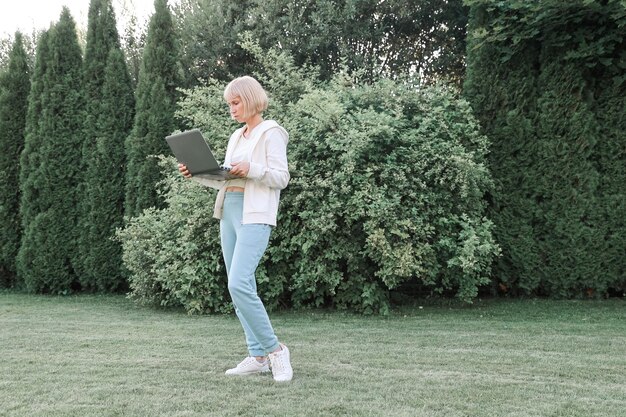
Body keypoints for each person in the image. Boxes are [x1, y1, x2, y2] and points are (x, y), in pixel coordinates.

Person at [178, 76, 293, 382]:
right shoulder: (235, 137)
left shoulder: (272, 133)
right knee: (241, 286)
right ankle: (257, 356)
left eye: (236, 102)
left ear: (251, 99)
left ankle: (276, 350)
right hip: (228, 210)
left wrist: (251, 169)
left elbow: (281, 178)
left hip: (254, 213)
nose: (231, 108)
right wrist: (197, 174)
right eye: (229, 104)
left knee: (238, 284)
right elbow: (225, 178)